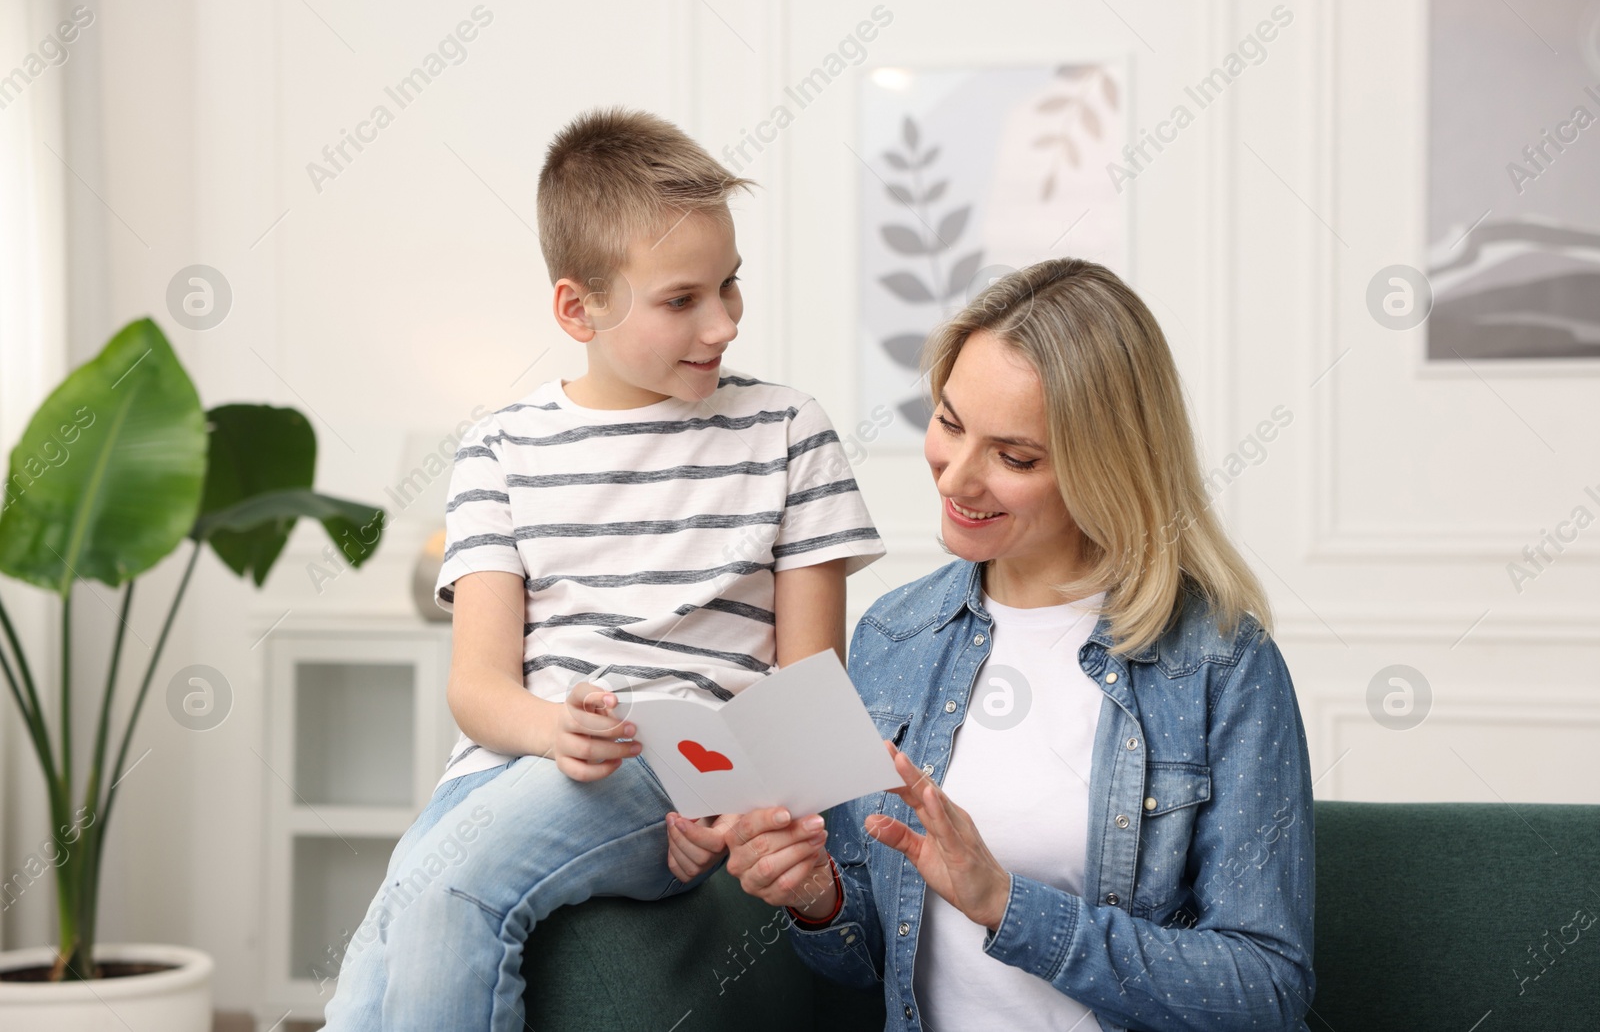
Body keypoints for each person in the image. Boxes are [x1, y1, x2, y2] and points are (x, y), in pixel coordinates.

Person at [320, 107, 886, 1031]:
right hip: (512, 764)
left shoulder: (788, 429)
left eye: (730, 286)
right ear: (577, 306)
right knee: (362, 993)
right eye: (681, 301)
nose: (723, 323)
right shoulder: (499, 447)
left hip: (673, 762)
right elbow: (478, 686)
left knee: (453, 890)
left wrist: (734, 794)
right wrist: (552, 730)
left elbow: (809, 688)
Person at [706, 259, 1317, 1030]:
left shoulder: (1221, 662)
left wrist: (1006, 905)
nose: (955, 477)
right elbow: (868, 961)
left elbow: (1266, 988)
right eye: (949, 422)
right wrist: (816, 897)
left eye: (1014, 456)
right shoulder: (896, 634)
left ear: (1107, 469)